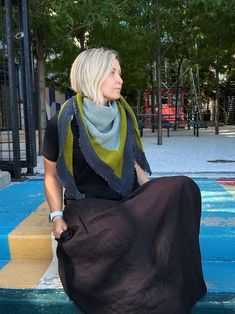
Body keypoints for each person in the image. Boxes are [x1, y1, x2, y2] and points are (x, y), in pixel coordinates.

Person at [43, 47, 206, 314]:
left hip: (126, 200)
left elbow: (134, 166)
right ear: (92, 75)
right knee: (122, 230)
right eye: (112, 72)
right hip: (88, 208)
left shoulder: (124, 117)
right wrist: (57, 217)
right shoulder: (62, 121)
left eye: (120, 72)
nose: (120, 79)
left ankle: (174, 280)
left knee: (184, 188)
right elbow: (51, 177)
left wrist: (155, 196)